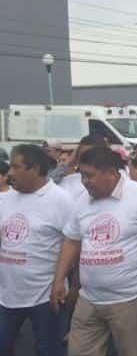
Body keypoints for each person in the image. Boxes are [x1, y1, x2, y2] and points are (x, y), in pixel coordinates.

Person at [51, 146, 137, 356]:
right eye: (82, 175)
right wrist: (59, 280)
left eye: (89, 175)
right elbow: (71, 240)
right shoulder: (82, 201)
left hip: (131, 300)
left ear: (110, 172)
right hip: (89, 299)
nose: (84, 182)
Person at [0, 145, 76, 356]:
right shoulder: (5, 199)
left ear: (34, 169)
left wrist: (65, 283)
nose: (10, 172)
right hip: (7, 296)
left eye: (16, 167)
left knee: (48, 350)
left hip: (45, 297)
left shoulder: (61, 200)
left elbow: (73, 243)